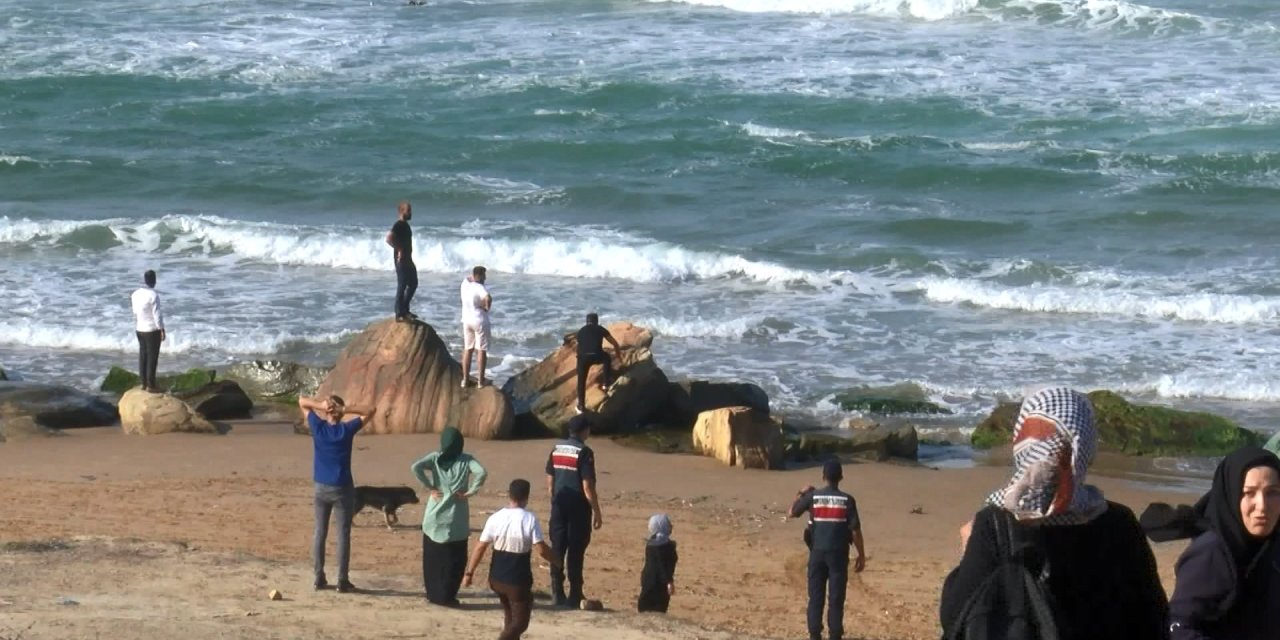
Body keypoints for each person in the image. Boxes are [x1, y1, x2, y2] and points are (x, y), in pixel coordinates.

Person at [939, 387, 1169, 640]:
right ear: (1086, 444)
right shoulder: (1118, 521)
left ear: (1021, 440)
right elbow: (1153, 618)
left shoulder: (996, 523)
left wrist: (966, 551)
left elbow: (956, 616)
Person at [1168, 446, 1280, 639]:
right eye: (1249, 493)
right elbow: (1177, 626)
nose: (1262, 506)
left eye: (1272, 493)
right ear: (1232, 494)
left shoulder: (1273, 546)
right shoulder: (1211, 553)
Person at [463, 479, 560, 640]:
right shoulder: (529, 518)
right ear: (526, 497)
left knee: (510, 616)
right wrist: (556, 561)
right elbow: (541, 549)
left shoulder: (495, 517)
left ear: (510, 495)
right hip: (517, 579)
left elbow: (480, 547)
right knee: (520, 622)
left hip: (496, 577)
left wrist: (469, 573)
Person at [300, 394, 374, 593]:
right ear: (339, 414)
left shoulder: (319, 427)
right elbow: (370, 410)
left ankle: (318, 577)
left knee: (320, 532)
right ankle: (342, 579)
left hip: (321, 486)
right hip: (342, 487)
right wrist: (345, 409)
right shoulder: (345, 430)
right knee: (343, 534)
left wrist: (320, 406)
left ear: (328, 411)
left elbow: (302, 402)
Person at [410, 427, 488, 607]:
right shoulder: (467, 460)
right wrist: (470, 492)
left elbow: (415, 467)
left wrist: (430, 486)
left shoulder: (436, 458)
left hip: (434, 512)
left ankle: (433, 594)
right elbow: (482, 473)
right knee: (455, 558)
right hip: (456, 515)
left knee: (432, 557)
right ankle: (447, 596)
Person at [789, 460, 865, 640]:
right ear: (841, 478)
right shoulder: (847, 500)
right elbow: (855, 531)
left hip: (817, 553)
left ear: (823, 477)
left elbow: (792, 512)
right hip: (838, 555)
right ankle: (835, 634)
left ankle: (815, 634)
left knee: (816, 597)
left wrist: (801, 493)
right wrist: (861, 555)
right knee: (836, 599)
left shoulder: (813, 497)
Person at [544, 414, 604, 608]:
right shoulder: (585, 452)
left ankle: (556, 591)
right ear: (584, 431)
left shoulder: (557, 449)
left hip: (559, 504)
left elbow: (550, 479)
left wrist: (553, 498)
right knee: (576, 551)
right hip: (578, 507)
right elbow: (588, 486)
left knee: (558, 548)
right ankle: (575, 593)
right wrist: (596, 511)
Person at [574, 313, 621, 414]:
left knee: (581, 382)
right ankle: (606, 383)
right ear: (597, 321)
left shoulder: (581, 331)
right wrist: (618, 356)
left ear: (586, 321)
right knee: (607, 358)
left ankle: (581, 406)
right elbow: (614, 343)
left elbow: (580, 345)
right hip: (597, 355)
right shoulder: (600, 329)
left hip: (583, 359)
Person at [130, 269, 165, 392]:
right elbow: (157, 315)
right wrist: (162, 329)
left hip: (140, 329)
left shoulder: (135, 294)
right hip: (151, 330)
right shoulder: (153, 295)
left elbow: (135, 312)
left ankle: (143, 383)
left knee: (143, 356)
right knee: (152, 357)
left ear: (145, 280)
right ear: (154, 281)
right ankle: (151, 385)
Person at [637, 513, 679, 613]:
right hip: (658, 584)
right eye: (668, 524)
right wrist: (669, 582)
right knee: (656, 610)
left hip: (649, 580)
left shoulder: (651, 543)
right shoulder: (664, 546)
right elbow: (662, 565)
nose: (671, 526)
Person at [459, 266, 492, 387]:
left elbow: (468, 278)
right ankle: (480, 381)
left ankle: (465, 380)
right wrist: (486, 308)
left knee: (468, 349)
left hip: (466, 320)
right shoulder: (480, 287)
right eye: (484, 276)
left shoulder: (465, 284)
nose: (485, 278)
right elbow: (487, 297)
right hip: (479, 321)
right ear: (482, 276)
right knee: (481, 350)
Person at [385, 201, 417, 322]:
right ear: (402, 211)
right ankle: (399, 313)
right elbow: (389, 238)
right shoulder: (399, 225)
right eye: (408, 210)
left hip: (408, 259)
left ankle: (405, 309)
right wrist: (399, 249)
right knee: (402, 285)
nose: (410, 213)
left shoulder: (406, 225)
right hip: (401, 261)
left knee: (413, 283)